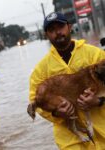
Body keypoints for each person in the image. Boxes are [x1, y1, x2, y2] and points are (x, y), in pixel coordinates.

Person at [29, 12, 105, 150]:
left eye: (60, 27)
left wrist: (98, 101)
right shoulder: (41, 69)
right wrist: (56, 113)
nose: (57, 33)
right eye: (52, 30)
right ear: (46, 35)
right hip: (69, 140)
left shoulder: (95, 54)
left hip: (102, 130)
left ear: (69, 27)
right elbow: (36, 100)